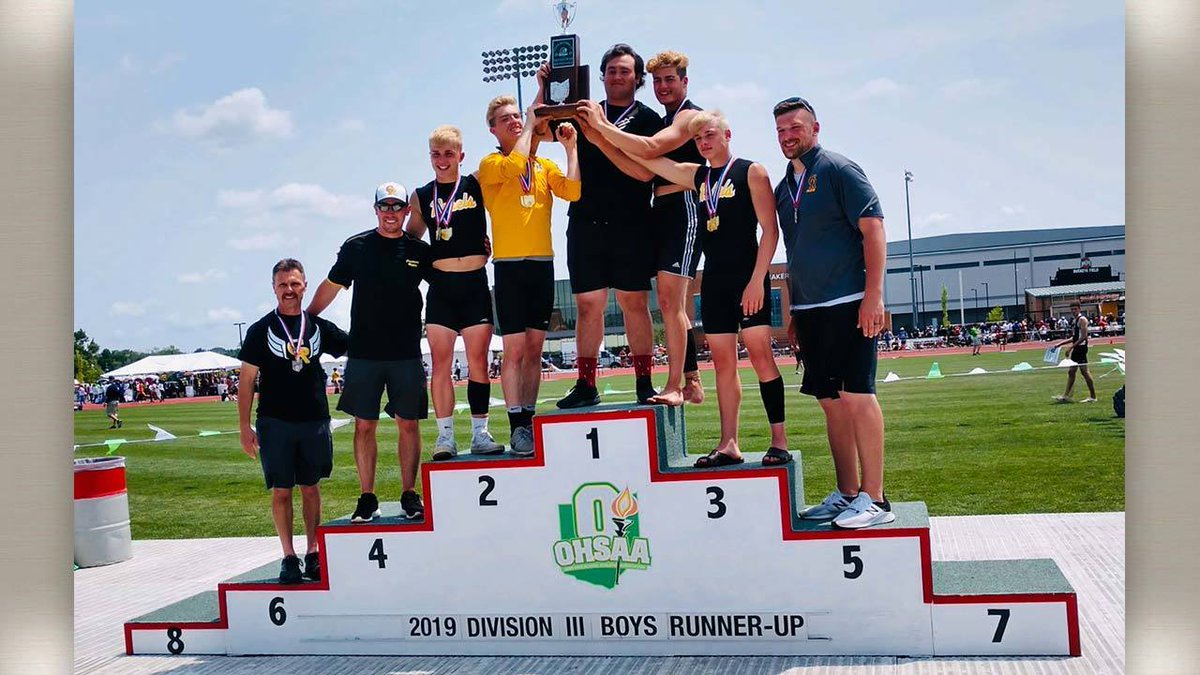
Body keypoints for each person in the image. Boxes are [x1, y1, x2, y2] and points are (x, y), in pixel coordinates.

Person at [602, 108, 791, 467]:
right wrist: (600, 133)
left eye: (710, 136)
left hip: (748, 279)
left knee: (761, 357)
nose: (704, 143)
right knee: (722, 364)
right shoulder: (697, 176)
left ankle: (778, 440)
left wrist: (756, 281)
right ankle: (728, 443)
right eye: (698, 138)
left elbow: (770, 231)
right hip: (715, 280)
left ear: (727, 135)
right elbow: (648, 158)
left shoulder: (751, 171)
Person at [773, 96, 893, 529]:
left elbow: (874, 229)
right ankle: (847, 493)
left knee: (858, 395)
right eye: (782, 131)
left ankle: (876, 500)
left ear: (815, 127)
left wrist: (873, 295)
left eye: (795, 128)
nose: (788, 137)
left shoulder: (840, 170)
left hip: (849, 303)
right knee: (830, 402)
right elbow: (793, 252)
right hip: (809, 308)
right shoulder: (783, 188)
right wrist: (792, 309)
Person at [583, 50, 705, 406]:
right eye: (658, 80)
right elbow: (641, 161)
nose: (663, 86)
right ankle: (692, 379)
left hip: (683, 206)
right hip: (660, 209)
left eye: (670, 79)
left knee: (670, 301)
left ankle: (676, 386)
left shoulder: (688, 117)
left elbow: (650, 149)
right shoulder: (665, 117)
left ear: (685, 81)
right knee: (668, 302)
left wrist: (601, 129)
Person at [307, 182, 430, 523]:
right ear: (375, 210)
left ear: (407, 211)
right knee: (364, 426)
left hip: (406, 352)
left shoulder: (418, 251)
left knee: (408, 424)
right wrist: (306, 321)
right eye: (384, 206)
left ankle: (409, 493)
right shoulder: (356, 247)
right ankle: (367, 497)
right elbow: (330, 286)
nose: (391, 213)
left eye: (397, 206)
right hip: (364, 352)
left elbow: (449, 280)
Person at [557, 43, 664, 408]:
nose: (618, 76)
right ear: (601, 76)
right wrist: (548, 85)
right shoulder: (582, 113)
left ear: (638, 78)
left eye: (625, 71)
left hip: (632, 222)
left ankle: (644, 381)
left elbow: (646, 170)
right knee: (588, 304)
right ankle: (586, 384)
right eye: (612, 70)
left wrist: (599, 134)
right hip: (585, 221)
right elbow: (543, 123)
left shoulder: (649, 119)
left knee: (634, 301)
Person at [478, 95, 580, 455]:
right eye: (505, 119)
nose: (515, 122)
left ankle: (530, 420)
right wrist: (534, 117)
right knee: (515, 350)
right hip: (508, 267)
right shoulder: (491, 164)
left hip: (541, 264)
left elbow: (573, 191)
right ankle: (516, 423)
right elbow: (514, 162)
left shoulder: (543, 166)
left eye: (517, 117)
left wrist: (570, 149)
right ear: (492, 129)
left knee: (535, 349)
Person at [237, 258, 349, 584]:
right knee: (282, 492)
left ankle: (313, 553)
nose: (289, 290)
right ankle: (288, 556)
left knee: (311, 489)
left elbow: (355, 343)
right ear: (273, 288)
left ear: (305, 286)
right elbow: (246, 382)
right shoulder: (260, 331)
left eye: (295, 284)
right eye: (283, 284)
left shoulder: (316, 327)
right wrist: (244, 427)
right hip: (274, 422)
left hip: (313, 419)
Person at [405, 125, 504, 459]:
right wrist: (428, 268)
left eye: (449, 153)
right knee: (441, 364)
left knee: (478, 361)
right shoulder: (420, 195)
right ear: (429, 157)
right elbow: (410, 241)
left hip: (475, 284)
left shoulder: (476, 183)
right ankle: (445, 437)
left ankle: (481, 433)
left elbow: (514, 154)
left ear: (461, 155)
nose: (442, 160)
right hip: (442, 290)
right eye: (436, 154)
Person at [1053, 301, 1097, 402]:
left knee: (1085, 372)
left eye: (1075, 309)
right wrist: (1060, 343)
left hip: (1081, 349)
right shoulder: (1076, 320)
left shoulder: (1082, 320)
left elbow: (1084, 337)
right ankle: (1066, 395)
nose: (1073, 311)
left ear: (1079, 309)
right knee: (1071, 372)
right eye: (1072, 309)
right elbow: (1075, 337)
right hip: (1077, 348)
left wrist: (1070, 347)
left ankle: (1093, 396)